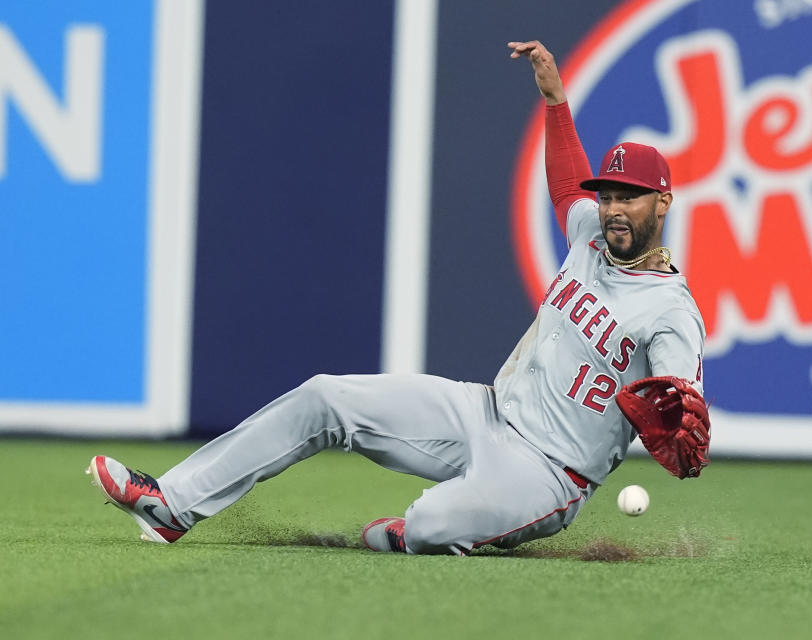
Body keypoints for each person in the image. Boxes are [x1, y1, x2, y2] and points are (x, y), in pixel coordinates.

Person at [86, 40, 709, 555]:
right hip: (484, 413)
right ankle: (169, 504)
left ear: (662, 203)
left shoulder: (671, 313)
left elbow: (683, 421)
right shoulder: (588, 235)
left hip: (550, 471)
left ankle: (426, 533)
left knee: (431, 525)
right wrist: (555, 101)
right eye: (607, 196)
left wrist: (679, 438)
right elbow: (568, 181)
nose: (611, 209)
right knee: (325, 397)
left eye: (628, 196)